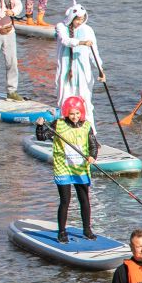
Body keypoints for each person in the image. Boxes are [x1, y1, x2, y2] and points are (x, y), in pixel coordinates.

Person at [50, 96, 95, 243]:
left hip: (80, 168)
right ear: (66, 113)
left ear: (81, 112)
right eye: (71, 114)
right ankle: (62, 232)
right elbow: (42, 136)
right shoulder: (58, 124)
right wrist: (39, 126)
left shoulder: (87, 126)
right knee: (65, 201)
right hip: (63, 167)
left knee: (84, 200)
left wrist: (92, 156)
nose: (75, 117)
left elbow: (94, 145)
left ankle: (87, 230)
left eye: (77, 113)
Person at [55, 4, 103, 129]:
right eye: (77, 20)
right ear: (71, 18)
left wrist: (100, 70)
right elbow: (65, 41)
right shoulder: (60, 27)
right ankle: (64, 132)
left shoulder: (87, 30)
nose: (79, 22)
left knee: (85, 102)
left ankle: (90, 134)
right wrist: (82, 42)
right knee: (65, 101)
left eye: (82, 19)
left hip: (82, 73)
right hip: (66, 72)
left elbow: (94, 52)